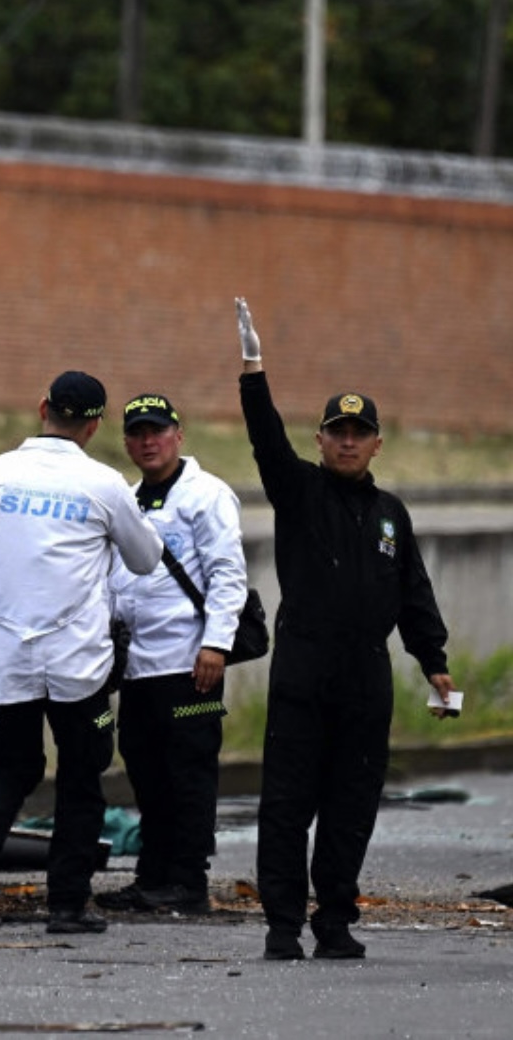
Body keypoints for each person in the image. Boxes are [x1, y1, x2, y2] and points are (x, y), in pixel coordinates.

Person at [235, 299, 454, 961]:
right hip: (304, 670)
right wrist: (253, 372)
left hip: (366, 675)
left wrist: (435, 662)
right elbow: (265, 440)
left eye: (360, 433)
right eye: (338, 431)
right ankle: (282, 925)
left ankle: (334, 920)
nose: (349, 441)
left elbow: (413, 592)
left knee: (352, 804)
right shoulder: (300, 490)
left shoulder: (391, 513)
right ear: (321, 439)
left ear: (377, 443)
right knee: (287, 803)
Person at [0, 371, 164, 934]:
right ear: (95, 425)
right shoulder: (104, 484)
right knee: (82, 778)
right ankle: (67, 904)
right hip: (78, 663)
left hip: (7, 659)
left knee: (7, 765)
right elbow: (145, 560)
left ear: (42, 408)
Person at [96, 393, 249, 915]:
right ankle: (152, 876)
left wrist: (216, 644)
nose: (148, 441)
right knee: (145, 771)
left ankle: (188, 881)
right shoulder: (127, 499)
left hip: (190, 663)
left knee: (188, 774)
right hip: (138, 666)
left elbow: (228, 574)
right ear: (126, 442)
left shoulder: (207, 495)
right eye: (137, 433)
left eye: (157, 431)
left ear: (178, 435)